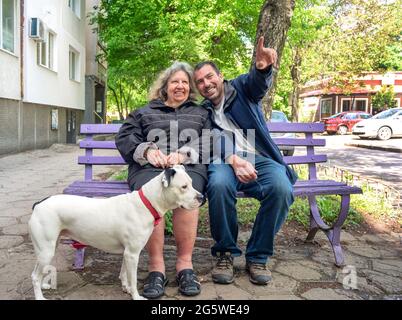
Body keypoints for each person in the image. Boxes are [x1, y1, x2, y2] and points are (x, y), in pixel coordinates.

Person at [193, 37, 298, 285]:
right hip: (223, 161)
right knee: (218, 186)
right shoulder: (202, 111)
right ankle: (225, 253)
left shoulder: (240, 88)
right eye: (200, 81)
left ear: (220, 76)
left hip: (259, 158)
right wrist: (233, 160)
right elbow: (213, 138)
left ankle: (258, 256)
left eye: (209, 77)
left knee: (281, 188)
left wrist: (262, 68)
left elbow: (257, 85)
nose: (206, 84)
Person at [115, 61, 211, 298]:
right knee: (151, 194)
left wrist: (184, 153)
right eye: (175, 82)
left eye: (185, 82)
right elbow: (126, 136)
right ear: (165, 86)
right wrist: (147, 151)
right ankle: (156, 267)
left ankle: (184, 265)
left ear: (190, 88)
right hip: (150, 168)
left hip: (188, 166)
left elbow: (211, 139)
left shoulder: (201, 113)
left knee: (188, 191)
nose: (180, 86)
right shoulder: (144, 112)